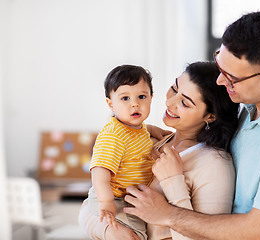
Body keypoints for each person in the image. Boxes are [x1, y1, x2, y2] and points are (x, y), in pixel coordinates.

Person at [123, 11, 260, 240]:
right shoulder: (248, 105)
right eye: (219, 63)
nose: (220, 81)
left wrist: (168, 214)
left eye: (231, 77)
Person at [78, 61, 240, 240]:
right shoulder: (152, 140)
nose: (169, 102)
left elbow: (210, 237)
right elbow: (89, 206)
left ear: (210, 116)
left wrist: (174, 184)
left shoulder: (215, 165)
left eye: (185, 103)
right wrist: (110, 231)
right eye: (174, 88)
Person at [79, 65, 155, 240]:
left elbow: (144, 130)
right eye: (125, 98)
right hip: (113, 198)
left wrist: (156, 131)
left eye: (142, 96)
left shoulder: (136, 127)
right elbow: (100, 172)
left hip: (126, 197)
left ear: (151, 98)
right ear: (111, 104)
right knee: (133, 237)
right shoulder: (113, 134)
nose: (135, 103)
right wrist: (106, 202)